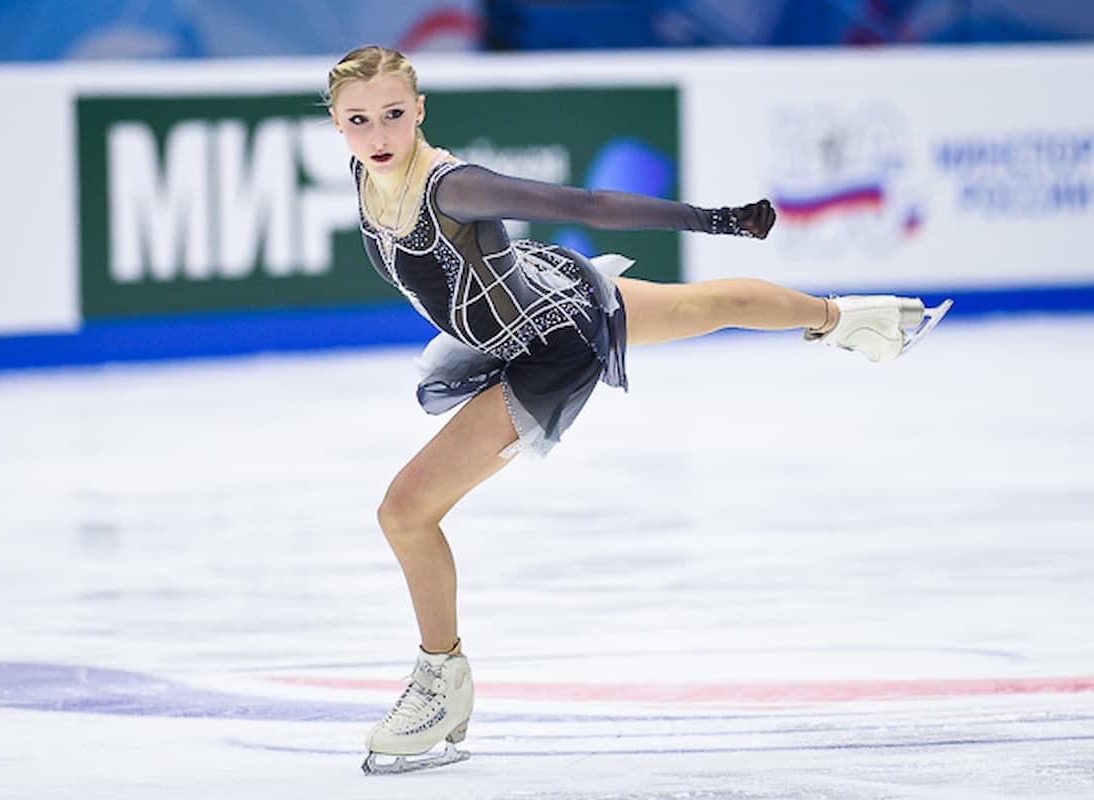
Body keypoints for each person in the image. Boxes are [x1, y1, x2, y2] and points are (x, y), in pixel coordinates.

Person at [325, 45, 950, 775]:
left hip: (546, 345)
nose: (378, 134)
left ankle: (441, 682)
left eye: (393, 115)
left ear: (420, 109)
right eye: (358, 120)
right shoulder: (366, 174)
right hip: (544, 294)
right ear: (337, 124)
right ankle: (848, 320)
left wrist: (711, 220)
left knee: (404, 511)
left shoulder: (452, 188)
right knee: (705, 305)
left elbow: (586, 206)